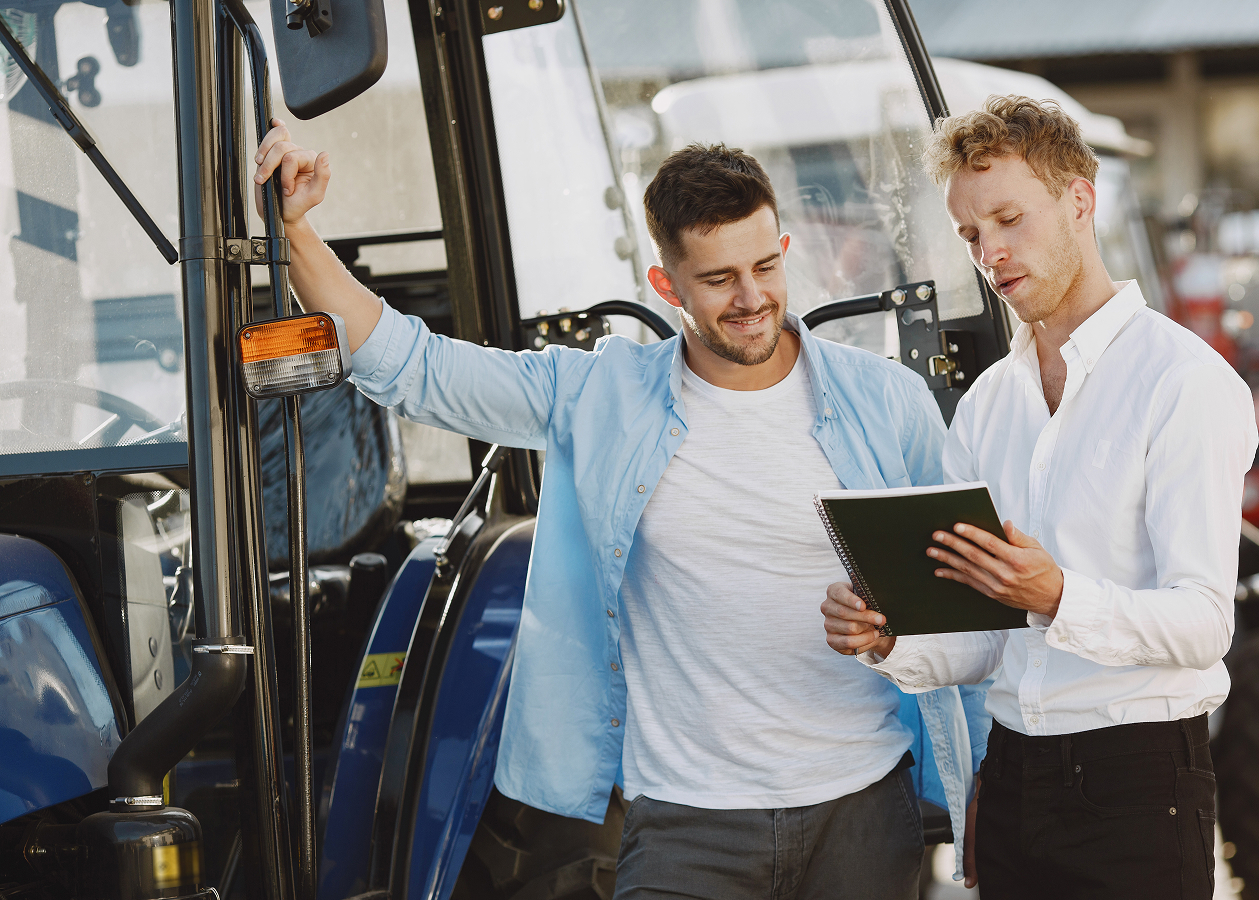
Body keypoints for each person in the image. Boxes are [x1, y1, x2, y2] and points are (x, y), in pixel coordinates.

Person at [253, 126, 989, 898]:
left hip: (864, 810)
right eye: (718, 279)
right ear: (667, 286)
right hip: (687, 822)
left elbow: (960, 606)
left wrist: (976, 784)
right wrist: (298, 229)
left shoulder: (888, 402)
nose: (751, 299)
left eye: (766, 266)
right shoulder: (599, 397)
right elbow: (416, 367)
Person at [822, 95, 1257, 900]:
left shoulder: (1185, 384)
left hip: (1139, 789)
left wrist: (1057, 596)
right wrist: (888, 640)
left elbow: (1204, 625)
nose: (990, 251)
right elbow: (986, 642)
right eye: (969, 234)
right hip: (1013, 777)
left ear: (1080, 201)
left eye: (1009, 219)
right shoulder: (987, 404)